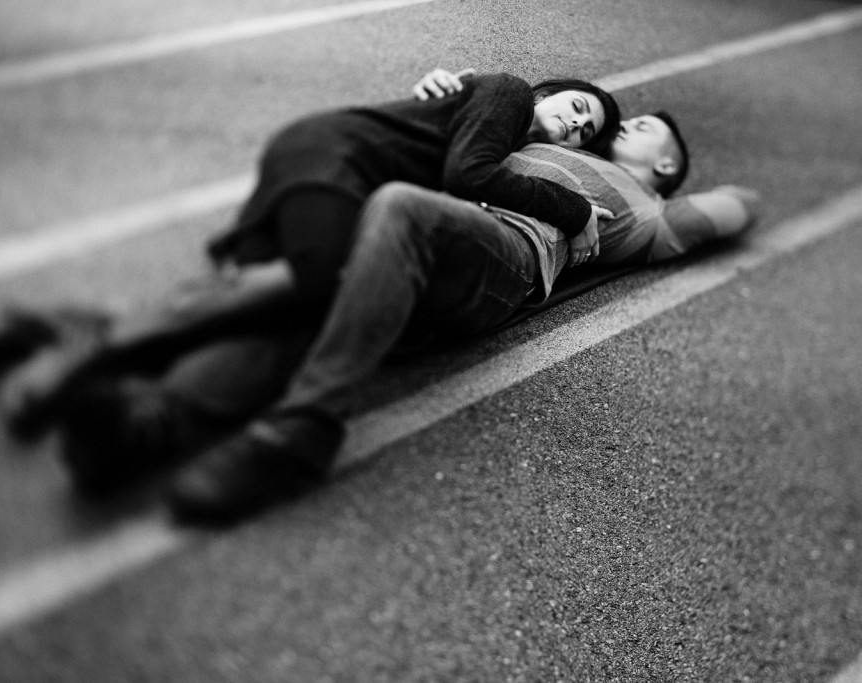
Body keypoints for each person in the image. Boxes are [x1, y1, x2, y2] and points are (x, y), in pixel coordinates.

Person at [156, 72, 761, 523]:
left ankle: (302, 429)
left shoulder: (651, 215)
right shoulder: (550, 143)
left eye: (646, 130)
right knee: (322, 288)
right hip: (419, 229)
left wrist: (659, 197)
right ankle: (155, 421)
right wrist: (448, 92)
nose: (617, 127)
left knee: (400, 207)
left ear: (667, 166)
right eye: (594, 122)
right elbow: (464, 149)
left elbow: (739, 205)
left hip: (503, 253)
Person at [0, 70, 620, 431]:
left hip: (323, 167)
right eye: (576, 107)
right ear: (549, 91)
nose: (574, 126)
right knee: (307, 290)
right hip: (331, 165)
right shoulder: (506, 94)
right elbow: (467, 173)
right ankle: (81, 358)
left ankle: (11, 330)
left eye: (585, 132)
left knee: (245, 303)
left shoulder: (494, 127)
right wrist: (574, 209)